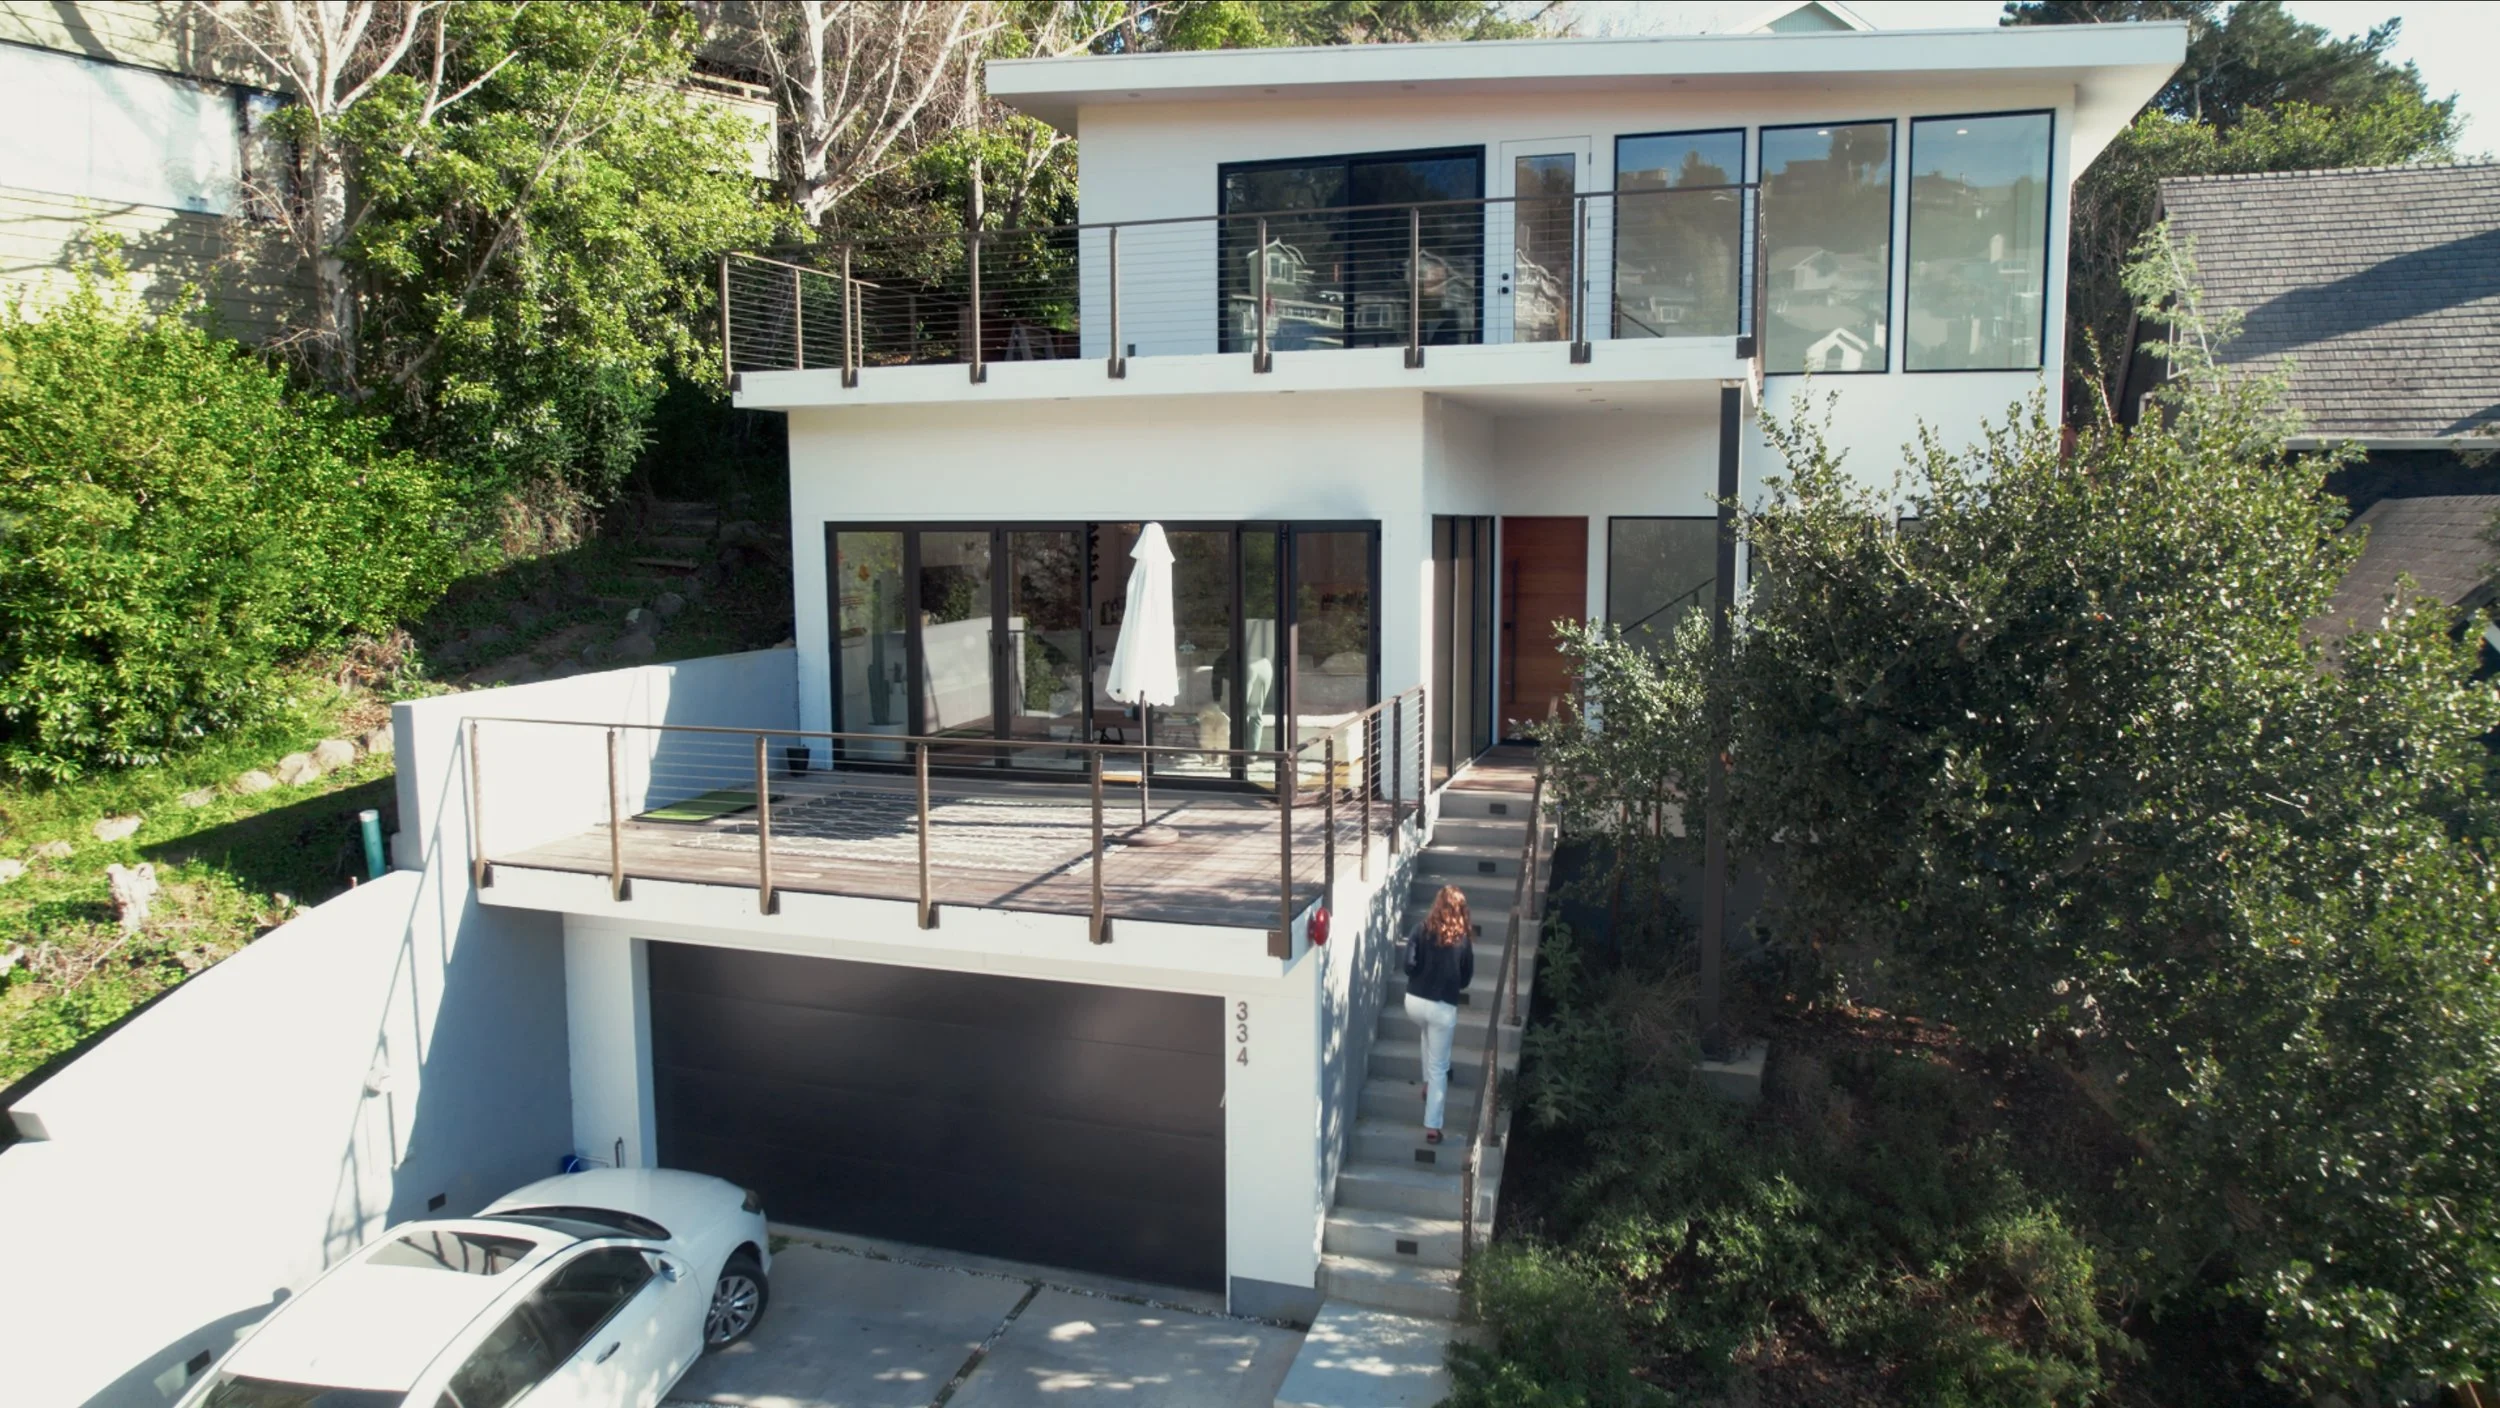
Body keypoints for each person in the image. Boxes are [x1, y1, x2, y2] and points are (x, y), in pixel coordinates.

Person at [1404, 884, 1475, 1143]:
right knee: (1440, 1067)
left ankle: (1426, 1084)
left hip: (1414, 1002)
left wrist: (1421, 975)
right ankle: (1433, 1127)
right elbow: (1466, 979)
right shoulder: (1463, 940)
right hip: (1442, 1006)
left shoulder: (1419, 929)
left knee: (1427, 1031)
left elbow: (1408, 965)